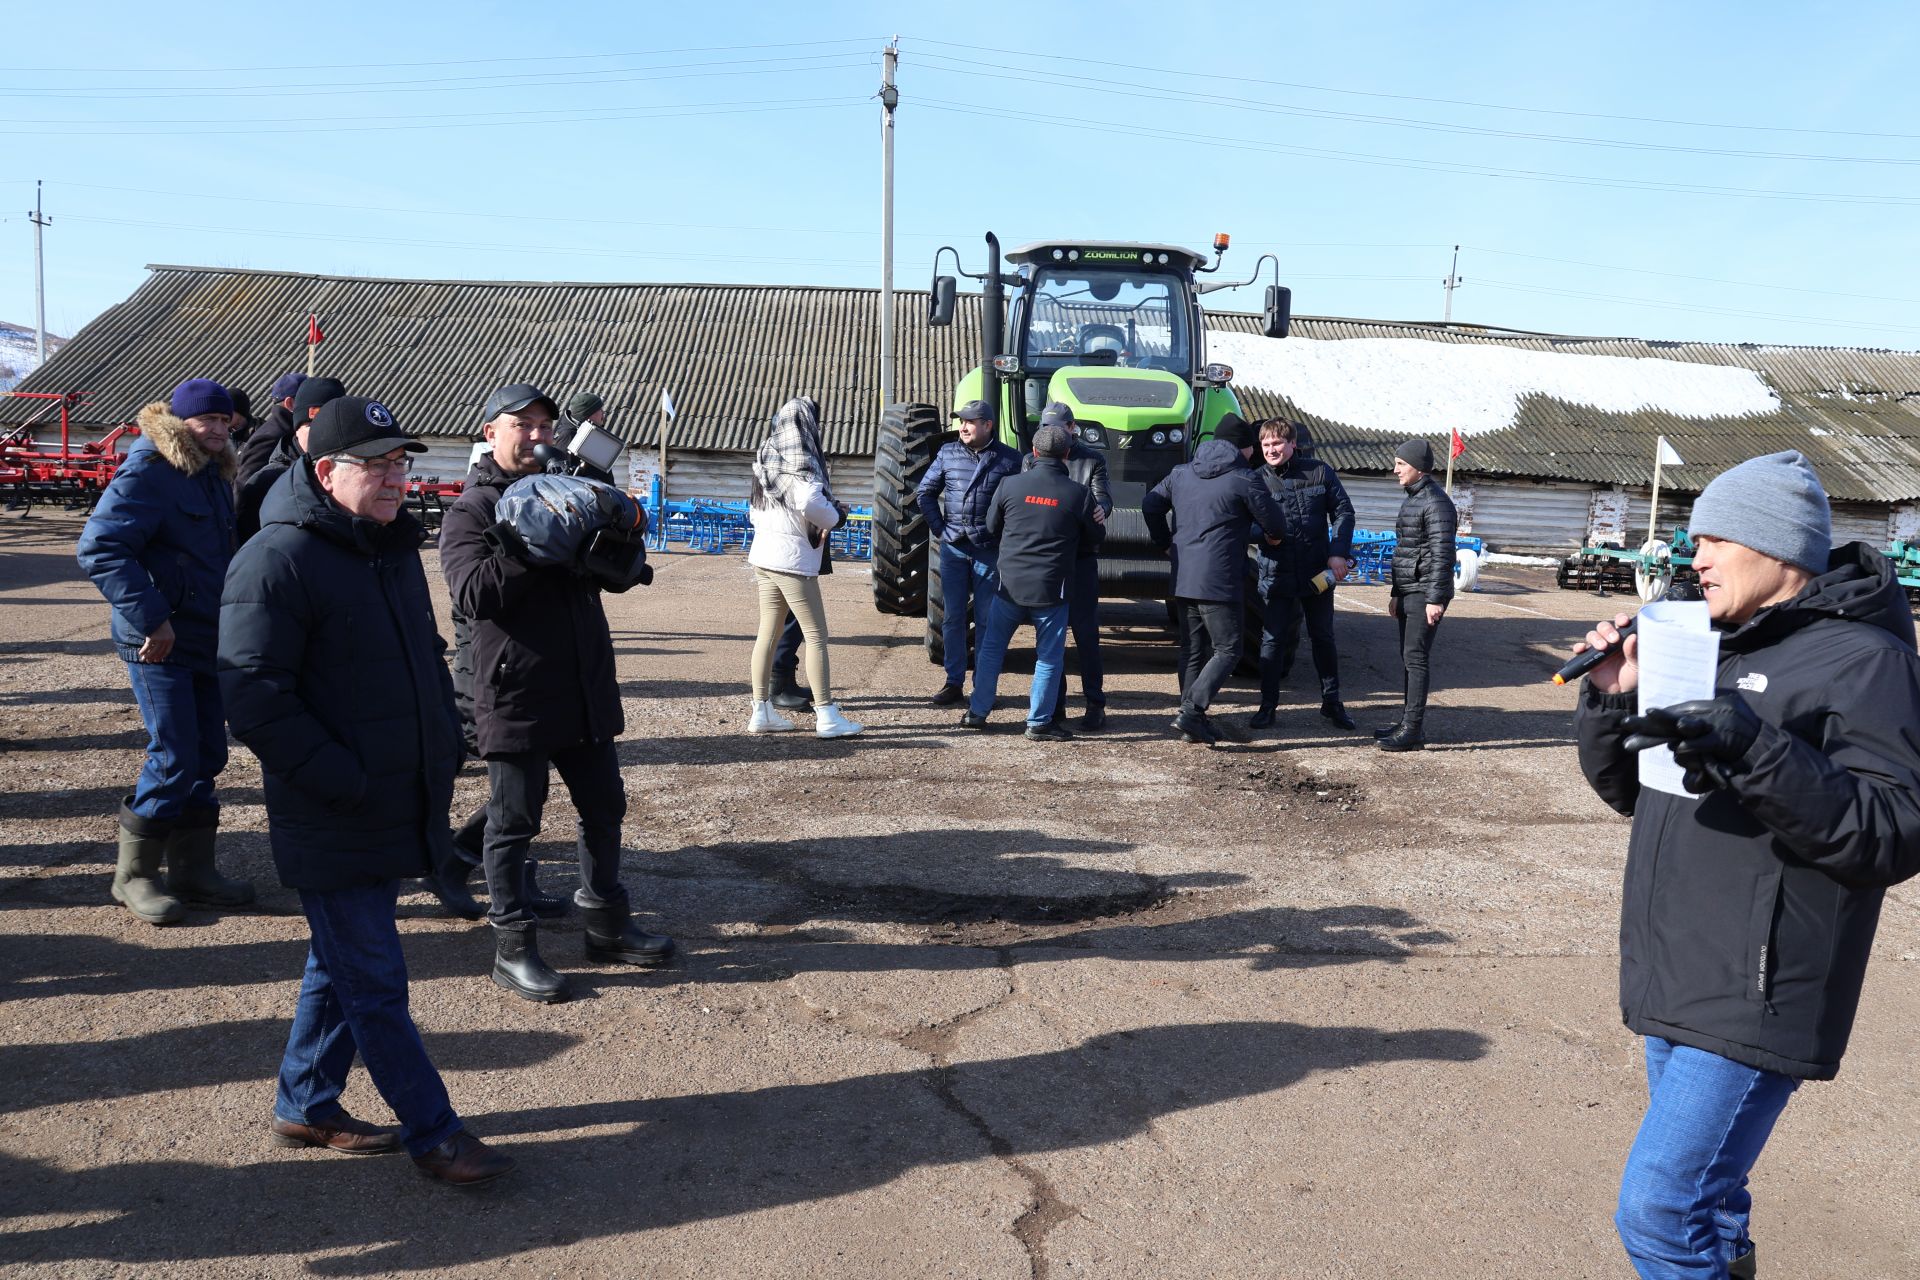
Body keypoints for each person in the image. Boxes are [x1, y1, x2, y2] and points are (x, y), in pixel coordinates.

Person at [1572, 451, 1920, 1279]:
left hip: (1761, 982)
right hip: (1679, 963)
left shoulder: (1866, 662)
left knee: (1661, 1209)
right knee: (1712, 1200)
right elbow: (1635, 791)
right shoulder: (1704, 640)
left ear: (1779, 549)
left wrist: (1755, 745)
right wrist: (1614, 697)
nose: (1695, 557)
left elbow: (1894, 831)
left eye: (1716, 539)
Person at [220, 394, 513, 1187]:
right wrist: (342, 781)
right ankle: (435, 1132)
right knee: (376, 981)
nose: (395, 479)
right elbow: (251, 695)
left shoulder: (385, 550)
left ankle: (307, 1101)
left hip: (393, 800)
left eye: (400, 463)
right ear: (325, 471)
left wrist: (445, 738)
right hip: (335, 810)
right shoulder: (277, 559)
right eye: (376, 465)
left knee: (340, 962)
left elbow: (420, 656)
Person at [440, 382, 675, 1004]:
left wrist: (613, 528)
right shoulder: (472, 508)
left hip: (583, 678)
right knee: (515, 820)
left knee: (605, 807)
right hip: (514, 685)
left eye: (546, 425)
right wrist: (529, 538)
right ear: (491, 432)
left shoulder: (567, 489)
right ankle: (512, 947)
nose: (538, 435)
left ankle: (606, 923)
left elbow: (621, 577)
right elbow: (472, 595)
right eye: (523, 425)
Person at [76, 378, 255, 926]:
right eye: (209, 421)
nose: (220, 431)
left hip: (203, 633)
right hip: (157, 640)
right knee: (175, 753)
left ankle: (193, 871)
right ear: (180, 422)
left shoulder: (208, 473)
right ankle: (133, 876)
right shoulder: (150, 470)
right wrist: (153, 617)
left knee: (206, 754)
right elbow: (100, 548)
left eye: (227, 423)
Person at [1142, 414, 1286, 745]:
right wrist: (1264, 535)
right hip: (1219, 579)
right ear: (1245, 448)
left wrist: (1165, 542)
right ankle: (1192, 712)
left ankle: (1189, 714)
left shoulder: (1181, 472)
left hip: (1184, 574)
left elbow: (1151, 504)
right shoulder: (1244, 478)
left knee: (1193, 647)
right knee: (1229, 648)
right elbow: (1275, 526)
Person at [959, 422, 1103, 740]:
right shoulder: (1078, 494)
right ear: (1067, 455)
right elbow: (1095, 538)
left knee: (992, 650)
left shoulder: (1009, 486)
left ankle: (977, 713)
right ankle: (1038, 722)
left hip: (1008, 585)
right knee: (1048, 656)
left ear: (1034, 453)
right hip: (1052, 589)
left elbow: (992, 527)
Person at [745, 397, 864, 738]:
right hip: (792, 561)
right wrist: (836, 515)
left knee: (768, 631)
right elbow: (810, 502)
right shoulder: (803, 464)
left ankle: (761, 711)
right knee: (816, 635)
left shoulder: (766, 460)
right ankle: (827, 716)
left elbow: (755, 511)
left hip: (764, 557)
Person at [1251, 418, 1357, 732]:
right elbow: (1242, 523)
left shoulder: (1320, 472)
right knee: (1271, 642)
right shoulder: (1255, 481)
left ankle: (1332, 703)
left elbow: (1343, 512)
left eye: (1277, 444)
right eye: (1266, 445)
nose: (1271, 450)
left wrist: (1338, 551)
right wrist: (1261, 535)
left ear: (1292, 443)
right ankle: (1267, 706)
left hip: (1315, 574)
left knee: (1323, 638)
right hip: (1277, 573)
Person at [916, 399, 1022, 706]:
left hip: (989, 550)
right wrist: (941, 530)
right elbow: (925, 493)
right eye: (961, 421)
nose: (962, 427)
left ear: (987, 425)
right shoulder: (948, 452)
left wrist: (1004, 538)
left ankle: (984, 686)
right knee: (952, 618)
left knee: (989, 619)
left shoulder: (1010, 460)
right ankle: (953, 682)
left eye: (969, 421)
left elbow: (1015, 504)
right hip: (954, 549)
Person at [1021, 403, 1111, 731]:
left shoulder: (1092, 459)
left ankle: (1095, 703)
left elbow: (1104, 500)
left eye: (1057, 428)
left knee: (1086, 636)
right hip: (1049, 560)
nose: (1050, 433)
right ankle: (1055, 705)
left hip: (1081, 559)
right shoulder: (1031, 459)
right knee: (1050, 637)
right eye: (1045, 427)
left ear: (1073, 428)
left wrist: (1096, 509)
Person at [1377, 439, 1457, 752]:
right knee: (1408, 658)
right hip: (1410, 589)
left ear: (1418, 467)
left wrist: (1435, 599)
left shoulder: (1436, 503)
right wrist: (1396, 593)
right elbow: (1405, 552)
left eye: (1401, 464)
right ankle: (1407, 723)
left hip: (1426, 591)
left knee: (1416, 657)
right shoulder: (1414, 498)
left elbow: (1442, 554)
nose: (1395, 470)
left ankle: (1413, 728)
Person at [236, 376, 346, 545]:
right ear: (297, 427)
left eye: (332, 426)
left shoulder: (349, 471)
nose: (322, 434)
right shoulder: (269, 478)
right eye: (312, 425)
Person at [236, 372, 307, 493]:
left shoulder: (292, 430)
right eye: (308, 400)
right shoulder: (270, 436)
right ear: (290, 403)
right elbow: (245, 486)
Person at [555, 391, 615, 484]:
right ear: (588, 414)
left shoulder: (591, 432)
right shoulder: (568, 436)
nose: (603, 413)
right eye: (599, 410)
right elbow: (562, 478)